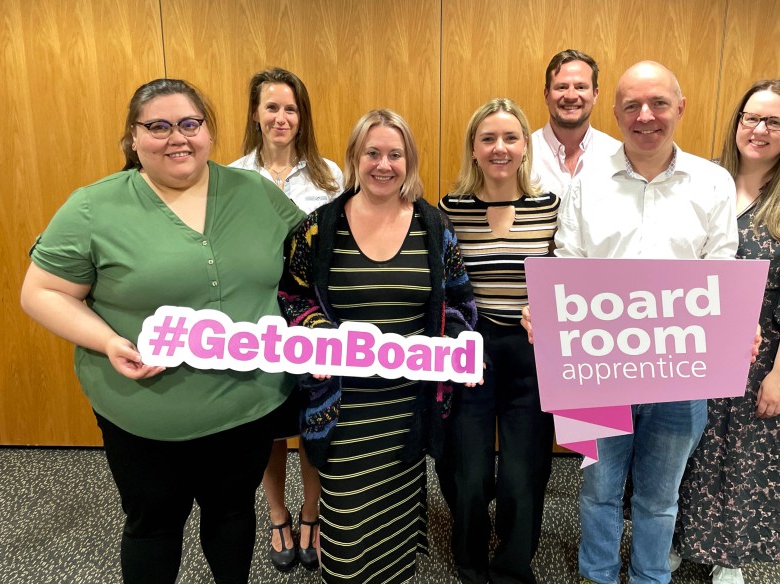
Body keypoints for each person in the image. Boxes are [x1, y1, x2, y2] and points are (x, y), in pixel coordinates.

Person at [20, 78, 306, 584]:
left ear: (208, 132)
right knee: (153, 526)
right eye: (158, 126)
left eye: (190, 124)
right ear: (134, 137)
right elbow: (41, 292)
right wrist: (108, 341)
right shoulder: (93, 207)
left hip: (247, 405)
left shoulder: (255, 192)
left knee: (233, 514)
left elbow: (312, 256)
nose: (178, 137)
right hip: (144, 413)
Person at [523, 61, 739, 584]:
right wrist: (547, 312)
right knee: (598, 490)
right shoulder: (586, 182)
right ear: (616, 113)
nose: (646, 116)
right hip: (595, 370)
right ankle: (597, 575)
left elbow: (722, 268)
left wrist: (737, 321)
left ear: (679, 108)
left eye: (658, 103)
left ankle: (650, 577)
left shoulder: (713, 183)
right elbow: (568, 262)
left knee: (660, 497)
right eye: (632, 106)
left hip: (680, 374)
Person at [277, 109, 477, 584]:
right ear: (354, 158)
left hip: (409, 405)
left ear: (409, 161)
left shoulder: (435, 227)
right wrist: (317, 334)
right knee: (347, 527)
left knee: (395, 528)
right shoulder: (318, 228)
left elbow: (459, 300)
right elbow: (291, 295)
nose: (384, 164)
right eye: (372, 153)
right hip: (343, 405)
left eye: (395, 154)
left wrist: (453, 347)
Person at [674, 79, 780, 584]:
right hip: (692, 342)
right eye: (751, 118)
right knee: (684, 449)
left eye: (775, 121)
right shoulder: (703, 179)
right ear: (737, 122)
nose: (760, 129)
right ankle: (677, 540)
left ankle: (731, 554)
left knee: (745, 458)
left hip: (763, 354)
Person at [435, 98, 558, 584]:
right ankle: (469, 563)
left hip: (532, 352)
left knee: (523, 475)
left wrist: (547, 308)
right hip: (471, 349)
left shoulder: (550, 208)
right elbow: (441, 286)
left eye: (510, 137)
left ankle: (511, 568)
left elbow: (570, 282)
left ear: (525, 145)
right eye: (488, 138)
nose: (499, 148)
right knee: (467, 472)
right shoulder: (450, 209)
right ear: (474, 148)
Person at [229, 67, 342, 572]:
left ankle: (313, 513)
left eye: (291, 109)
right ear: (255, 113)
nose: (281, 117)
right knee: (269, 426)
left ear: (303, 116)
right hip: (257, 317)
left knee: (315, 420)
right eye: (271, 107)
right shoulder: (231, 176)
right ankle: (278, 515)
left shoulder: (329, 176)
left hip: (315, 315)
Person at [530, 49, 620, 198]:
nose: (571, 96)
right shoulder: (524, 155)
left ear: (595, 94)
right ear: (546, 95)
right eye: (562, 87)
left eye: (580, 87)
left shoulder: (616, 155)